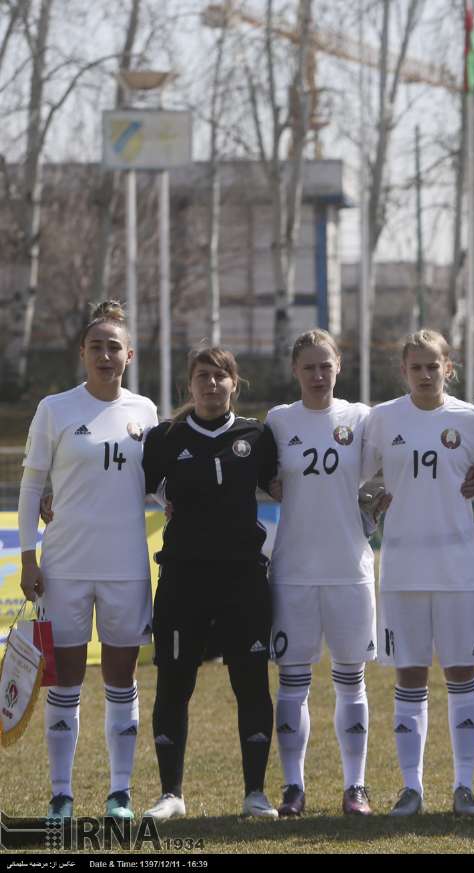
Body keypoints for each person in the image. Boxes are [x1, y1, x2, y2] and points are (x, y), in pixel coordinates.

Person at [18, 301, 158, 821]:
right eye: (95, 346)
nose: (105, 355)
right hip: (64, 567)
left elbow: (162, 486)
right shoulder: (55, 409)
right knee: (66, 680)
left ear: (129, 355)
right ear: (82, 353)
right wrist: (29, 558)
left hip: (126, 567)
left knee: (121, 678)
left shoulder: (145, 411)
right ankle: (61, 794)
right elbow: (33, 486)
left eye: (113, 347)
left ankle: (120, 792)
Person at [141, 346, 280, 821]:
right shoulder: (165, 438)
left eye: (220, 376)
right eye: (203, 376)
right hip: (183, 580)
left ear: (234, 384)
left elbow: (282, 485)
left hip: (243, 580)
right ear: (190, 384)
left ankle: (256, 793)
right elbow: (136, 486)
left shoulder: (258, 437)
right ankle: (171, 794)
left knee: (252, 684)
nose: (212, 384)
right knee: (174, 685)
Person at [364, 330, 474, 817]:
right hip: (401, 569)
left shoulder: (471, 419)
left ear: (448, 368)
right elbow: (354, 475)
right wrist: (370, 501)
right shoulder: (383, 419)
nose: (424, 375)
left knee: (461, 675)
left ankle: (464, 786)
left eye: (432, 366)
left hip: (460, 568)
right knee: (410, 677)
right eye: (415, 367)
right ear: (404, 371)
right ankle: (411, 788)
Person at [264, 330, 376, 817]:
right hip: (292, 571)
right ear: (295, 370)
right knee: (293, 681)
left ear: (338, 367)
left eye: (325, 366)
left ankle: (356, 788)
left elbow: (388, 473)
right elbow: (264, 479)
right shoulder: (277, 421)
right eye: (308, 367)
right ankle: (293, 787)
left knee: (351, 680)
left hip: (350, 570)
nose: (317, 375)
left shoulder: (360, 418)